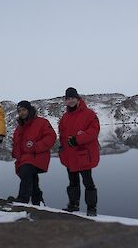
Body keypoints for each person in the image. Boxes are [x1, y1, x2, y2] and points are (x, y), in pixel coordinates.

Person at [59, 87, 100, 216]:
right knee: (73, 182)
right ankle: (73, 205)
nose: (70, 101)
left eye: (72, 98)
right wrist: (62, 148)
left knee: (88, 182)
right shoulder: (64, 117)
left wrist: (78, 139)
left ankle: (91, 208)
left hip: (83, 155)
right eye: (68, 99)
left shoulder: (89, 114)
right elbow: (62, 135)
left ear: (77, 99)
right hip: (69, 155)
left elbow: (94, 131)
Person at [10, 101, 56, 204]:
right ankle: (38, 201)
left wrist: (35, 147)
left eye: (24, 110)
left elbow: (51, 137)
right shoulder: (19, 127)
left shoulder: (42, 122)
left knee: (26, 172)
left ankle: (23, 199)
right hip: (24, 157)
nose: (22, 113)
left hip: (37, 155)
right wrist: (16, 154)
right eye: (20, 111)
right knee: (32, 179)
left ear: (29, 110)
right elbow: (16, 143)